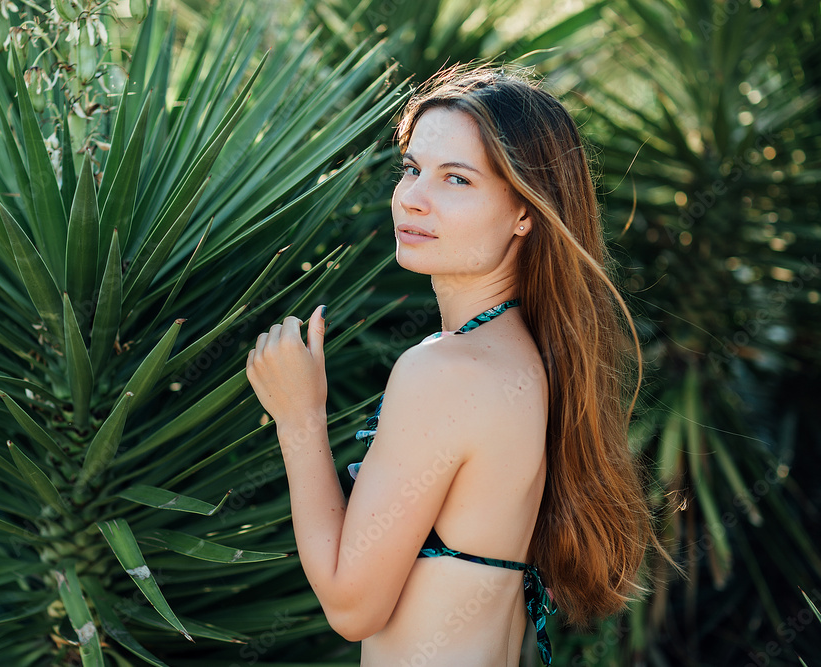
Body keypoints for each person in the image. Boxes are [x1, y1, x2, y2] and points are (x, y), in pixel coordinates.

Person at [245, 64, 661, 666]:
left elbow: (352, 606)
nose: (412, 198)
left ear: (526, 213)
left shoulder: (447, 370)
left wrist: (298, 416)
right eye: (412, 168)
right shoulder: (526, 359)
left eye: (456, 179)